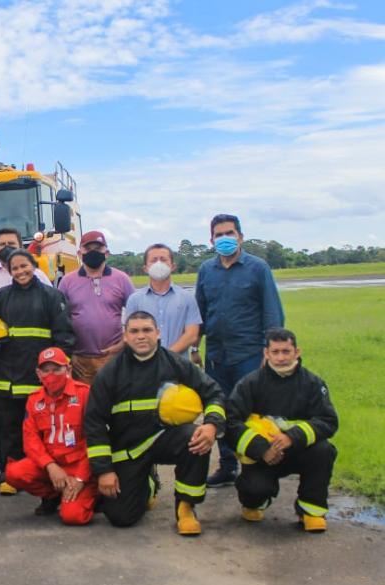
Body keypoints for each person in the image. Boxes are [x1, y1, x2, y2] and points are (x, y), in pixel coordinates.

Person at [84, 311, 226, 535]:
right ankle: (148, 484)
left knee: (196, 437)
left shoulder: (175, 363)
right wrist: (104, 471)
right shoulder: (110, 373)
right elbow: (94, 423)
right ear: (126, 336)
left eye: (147, 330)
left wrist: (211, 425)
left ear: (158, 333)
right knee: (120, 517)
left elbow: (214, 393)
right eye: (135, 331)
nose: (141, 336)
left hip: (166, 440)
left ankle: (186, 507)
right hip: (129, 449)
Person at [0, 250, 75, 494]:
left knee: (41, 430)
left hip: (39, 379)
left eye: (24, 266)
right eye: (15, 268)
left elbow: (65, 336)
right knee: (9, 428)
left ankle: (41, 473)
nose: (21, 272)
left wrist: (58, 371)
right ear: (10, 272)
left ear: (33, 266)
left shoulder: (52, 297)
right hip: (6, 377)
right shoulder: (2, 297)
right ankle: (11, 475)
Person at [195, 214, 284, 488]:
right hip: (216, 355)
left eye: (229, 233)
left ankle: (254, 464)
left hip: (249, 355)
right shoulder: (206, 270)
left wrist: (269, 354)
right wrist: (194, 348)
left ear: (240, 236)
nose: (224, 239)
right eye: (219, 235)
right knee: (219, 409)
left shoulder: (258, 268)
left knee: (250, 411)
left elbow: (272, 313)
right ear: (211, 240)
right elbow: (199, 312)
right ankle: (227, 466)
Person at [226, 328, 338, 532]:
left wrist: (293, 437)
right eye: (275, 352)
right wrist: (261, 450)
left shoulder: (313, 383)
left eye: (286, 351)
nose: (281, 358)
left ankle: (311, 510)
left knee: (324, 451)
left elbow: (328, 420)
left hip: (299, 449)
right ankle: (257, 501)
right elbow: (231, 423)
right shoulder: (250, 383)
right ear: (266, 353)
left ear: (297, 352)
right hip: (264, 455)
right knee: (254, 492)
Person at [0, 227, 52, 484]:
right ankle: (7, 467)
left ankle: (38, 466)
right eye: (2, 244)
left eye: (11, 242)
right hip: (1, 363)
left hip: (35, 362)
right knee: (5, 419)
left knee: (36, 418)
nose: (20, 272)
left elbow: (54, 319)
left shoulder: (42, 280)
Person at [5, 347, 97, 525]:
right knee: (14, 473)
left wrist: (80, 478)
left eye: (57, 369)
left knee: (73, 517)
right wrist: (50, 466)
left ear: (68, 370)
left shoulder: (85, 394)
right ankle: (53, 496)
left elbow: (96, 439)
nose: (51, 375)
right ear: (38, 374)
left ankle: (90, 495)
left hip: (80, 466)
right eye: (46, 370)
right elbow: (30, 440)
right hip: (51, 465)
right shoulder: (34, 400)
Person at [58, 230, 135, 385]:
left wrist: (124, 341)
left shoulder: (122, 279)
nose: (93, 252)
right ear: (80, 253)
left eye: (98, 248)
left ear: (106, 253)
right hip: (79, 360)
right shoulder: (67, 282)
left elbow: (136, 316)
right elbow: (60, 320)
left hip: (113, 357)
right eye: (88, 248)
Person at [124, 243, 202, 357]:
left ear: (173, 266)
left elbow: (191, 334)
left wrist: (165, 357)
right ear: (145, 268)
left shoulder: (187, 298)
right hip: (144, 366)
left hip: (178, 365)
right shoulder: (134, 299)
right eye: (154, 260)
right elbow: (131, 334)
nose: (158, 263)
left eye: (163, 259)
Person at [0, 227, 53, 299]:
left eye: (11, 243)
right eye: (2, 244)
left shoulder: (38, 275)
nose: (7, 247)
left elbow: (52, 301)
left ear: (21, 247)